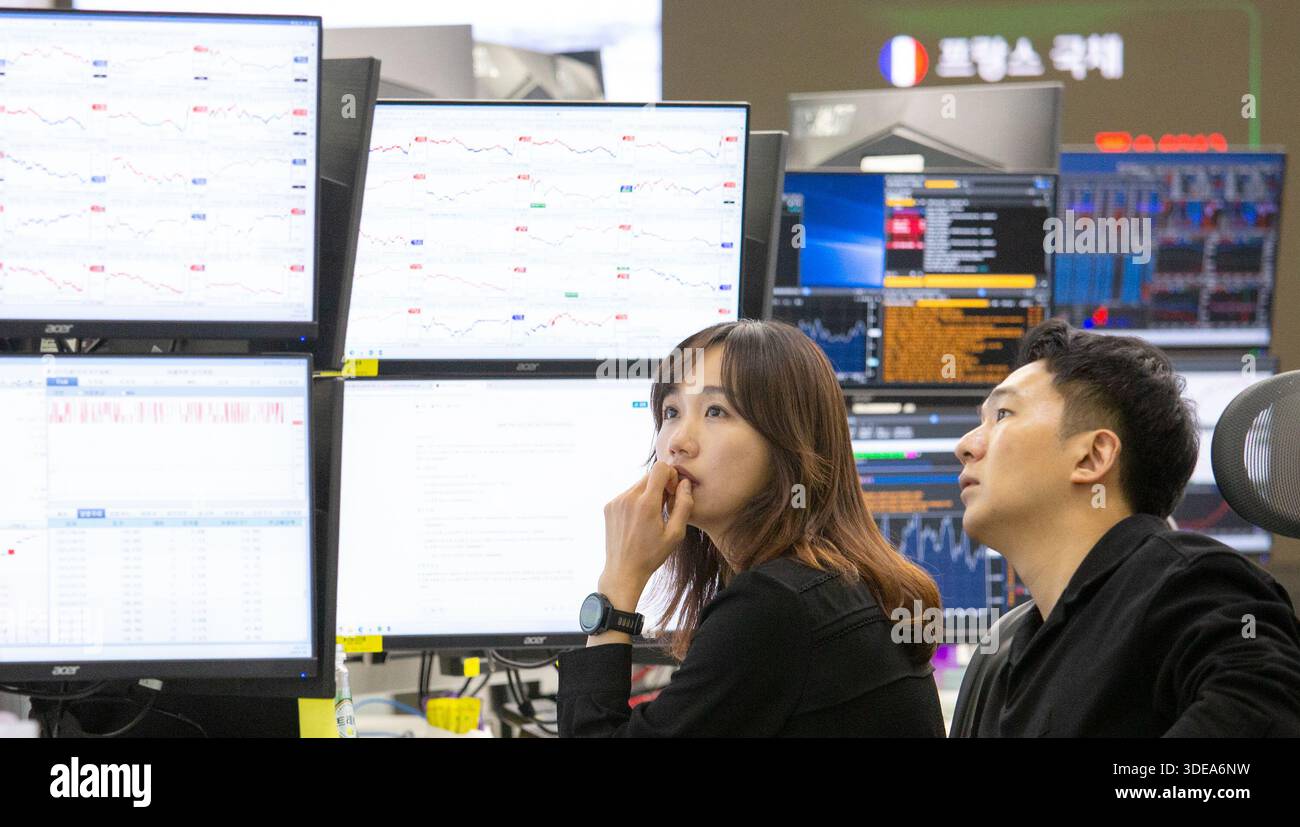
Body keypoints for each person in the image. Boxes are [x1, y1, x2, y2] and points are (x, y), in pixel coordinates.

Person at [556, 319, 945, 737]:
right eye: (671, 412)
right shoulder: (827, 585)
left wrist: (617, 585)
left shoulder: (774, 608)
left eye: (715, 412)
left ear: (789, 442)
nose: (677, 442)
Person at [951, 318, 1300, 736]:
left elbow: (1264, 720)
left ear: (1093, 456)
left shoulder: (1189, 586)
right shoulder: (1008, 655)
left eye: (1002, 414)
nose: (965, 445)